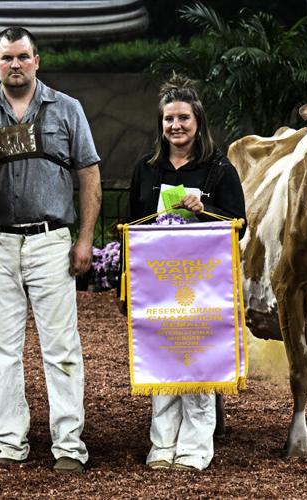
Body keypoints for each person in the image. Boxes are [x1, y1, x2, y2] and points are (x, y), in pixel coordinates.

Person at [0, 27, 101, 473]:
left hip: (50, 241)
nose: (15, 65)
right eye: (7, 58)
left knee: (60, 347)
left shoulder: (66, 109)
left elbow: (89, 175)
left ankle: (67, 446)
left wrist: (84, 239)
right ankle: (10, 441)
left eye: (23, 57)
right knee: (2, 347)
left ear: (36, 61)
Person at [124, 78, 244, 472]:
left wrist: (203, 208)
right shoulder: (146, 168)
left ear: (198, 121)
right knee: (162, 361)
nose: (176, 125)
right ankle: (161, 444)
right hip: (158, 285)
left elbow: (239, 225)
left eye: (184, 118)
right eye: (169, 119)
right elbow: (129, 225)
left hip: (203, 285)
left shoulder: (220, 170)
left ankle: (194, 447)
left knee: (197, 362)